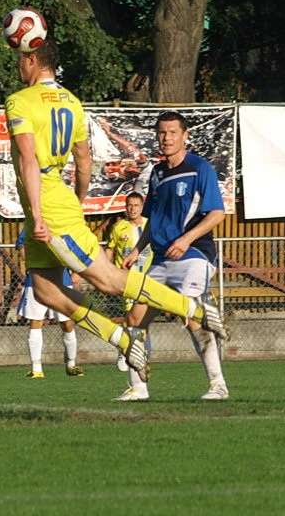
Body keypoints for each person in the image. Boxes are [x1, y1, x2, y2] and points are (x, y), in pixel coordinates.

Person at [4, 32, 227, 382]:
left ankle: (191, 306)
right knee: (46, 290)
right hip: (56, 197)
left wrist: (39, 213)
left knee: (106, 279)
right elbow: (83, 160)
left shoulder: (20, 101)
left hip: (45, 204)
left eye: (19, 57)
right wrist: (74, 200)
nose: (18, 64)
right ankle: (122, 338)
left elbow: (29, 161)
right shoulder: (73, 103)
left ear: (32, 59)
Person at [115, 111, 230, 401]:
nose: (166, 138)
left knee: (190, 317)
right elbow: (152, 219)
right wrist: (137, 251)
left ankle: (218, 384)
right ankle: (138, 389)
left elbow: (217, 213)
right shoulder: (157, 173)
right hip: (161, 260)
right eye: (162, 133)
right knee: (134, 318)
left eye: (172, 132)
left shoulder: (199, 167)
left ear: (185, 135)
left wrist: (185, 239)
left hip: (194, 255)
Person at [15, 228, 85, 378]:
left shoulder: (59, 222)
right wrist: (28, 257)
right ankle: (36, 368)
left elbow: (73, 247)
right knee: (36, 321)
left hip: (61, 279)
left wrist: (75, 272)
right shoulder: (31, 222)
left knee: (67, 322)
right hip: (35, 279)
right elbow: (21, 244)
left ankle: (71, 364)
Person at [104, 192, 153, 371]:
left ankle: (142, 354)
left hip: (148, 280)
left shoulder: (150, 226)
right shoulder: (119, 227)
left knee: (143, 319)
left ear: (142, 207)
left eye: (136, 205)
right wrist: (108, 271)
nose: (132, 209)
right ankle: (124, 352)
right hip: (127, 280)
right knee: (130, 318)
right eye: (129, 205)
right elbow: (110, 250)